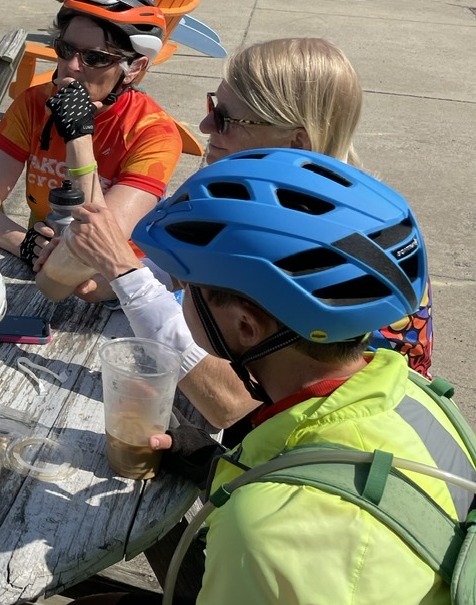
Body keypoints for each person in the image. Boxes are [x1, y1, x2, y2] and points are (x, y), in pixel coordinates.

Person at [52, 149, 474, 605]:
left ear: (246, 327)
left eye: (186, 287)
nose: (177, 296)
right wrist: (215, 462)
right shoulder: (419, 398)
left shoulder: (266, 534)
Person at [65, 37, 433, 429]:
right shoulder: (275, 200)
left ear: (295, 142)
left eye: (225, 118)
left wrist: (127, 276)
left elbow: (234, 404)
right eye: (212, 105)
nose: (205, 125)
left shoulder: (333, 246)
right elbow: (172, 266)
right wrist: (117, 273)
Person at [0, 0, 182, 300]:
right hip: (46, 267)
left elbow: (96, 241)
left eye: (94, 57)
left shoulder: (153, 133)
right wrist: (24, 243)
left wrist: (79, 136)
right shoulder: (34, 104)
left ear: (133, 68)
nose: (71, 67)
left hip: (115, 284)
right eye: (65, 50)